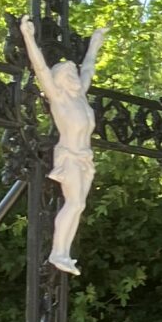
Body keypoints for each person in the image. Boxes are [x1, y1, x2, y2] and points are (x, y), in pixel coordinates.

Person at [19, 16, 106, 274]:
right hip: (68, 156)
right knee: (75, 203)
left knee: (79, 204)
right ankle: (59, 252)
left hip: (85, 158)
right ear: (61, 79)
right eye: (70, 73)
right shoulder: (59, 99)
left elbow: (88, 67)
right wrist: (28, 36)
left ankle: (63, 253)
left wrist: (95, 43)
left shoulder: (80, 97)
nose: (75, 75)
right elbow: (41, 69)